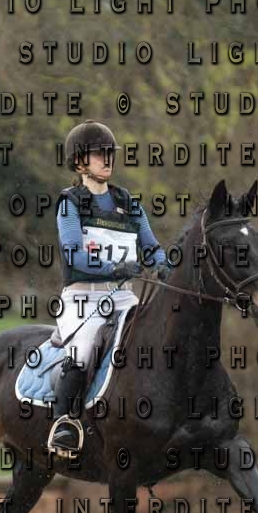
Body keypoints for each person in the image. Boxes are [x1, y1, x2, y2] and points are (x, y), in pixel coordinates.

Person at [48, 119, 171, 457]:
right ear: (79, 162)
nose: (107, 158)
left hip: (124, 297)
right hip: (83, 299)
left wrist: (165, 266)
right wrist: (114, 268)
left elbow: (151, 248)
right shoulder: (71, 202)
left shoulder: (128, 203)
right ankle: (64, 424)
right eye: (99, 153)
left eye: (109, 153)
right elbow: (73, 254)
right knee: (84, 348)